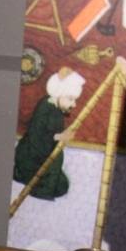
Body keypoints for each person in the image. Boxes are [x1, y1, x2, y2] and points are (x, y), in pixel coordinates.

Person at [13, 67, 85, 200]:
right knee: (51, 181)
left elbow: (53, 134)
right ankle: (21, 174)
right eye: (70, 99)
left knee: (62, 186)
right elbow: (37, 136)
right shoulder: (44, 107)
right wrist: (60, 137)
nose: (74, 104)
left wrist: (60, 136)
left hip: (44, 155)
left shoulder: (58, 110)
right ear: (59, 94)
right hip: (31, 156)